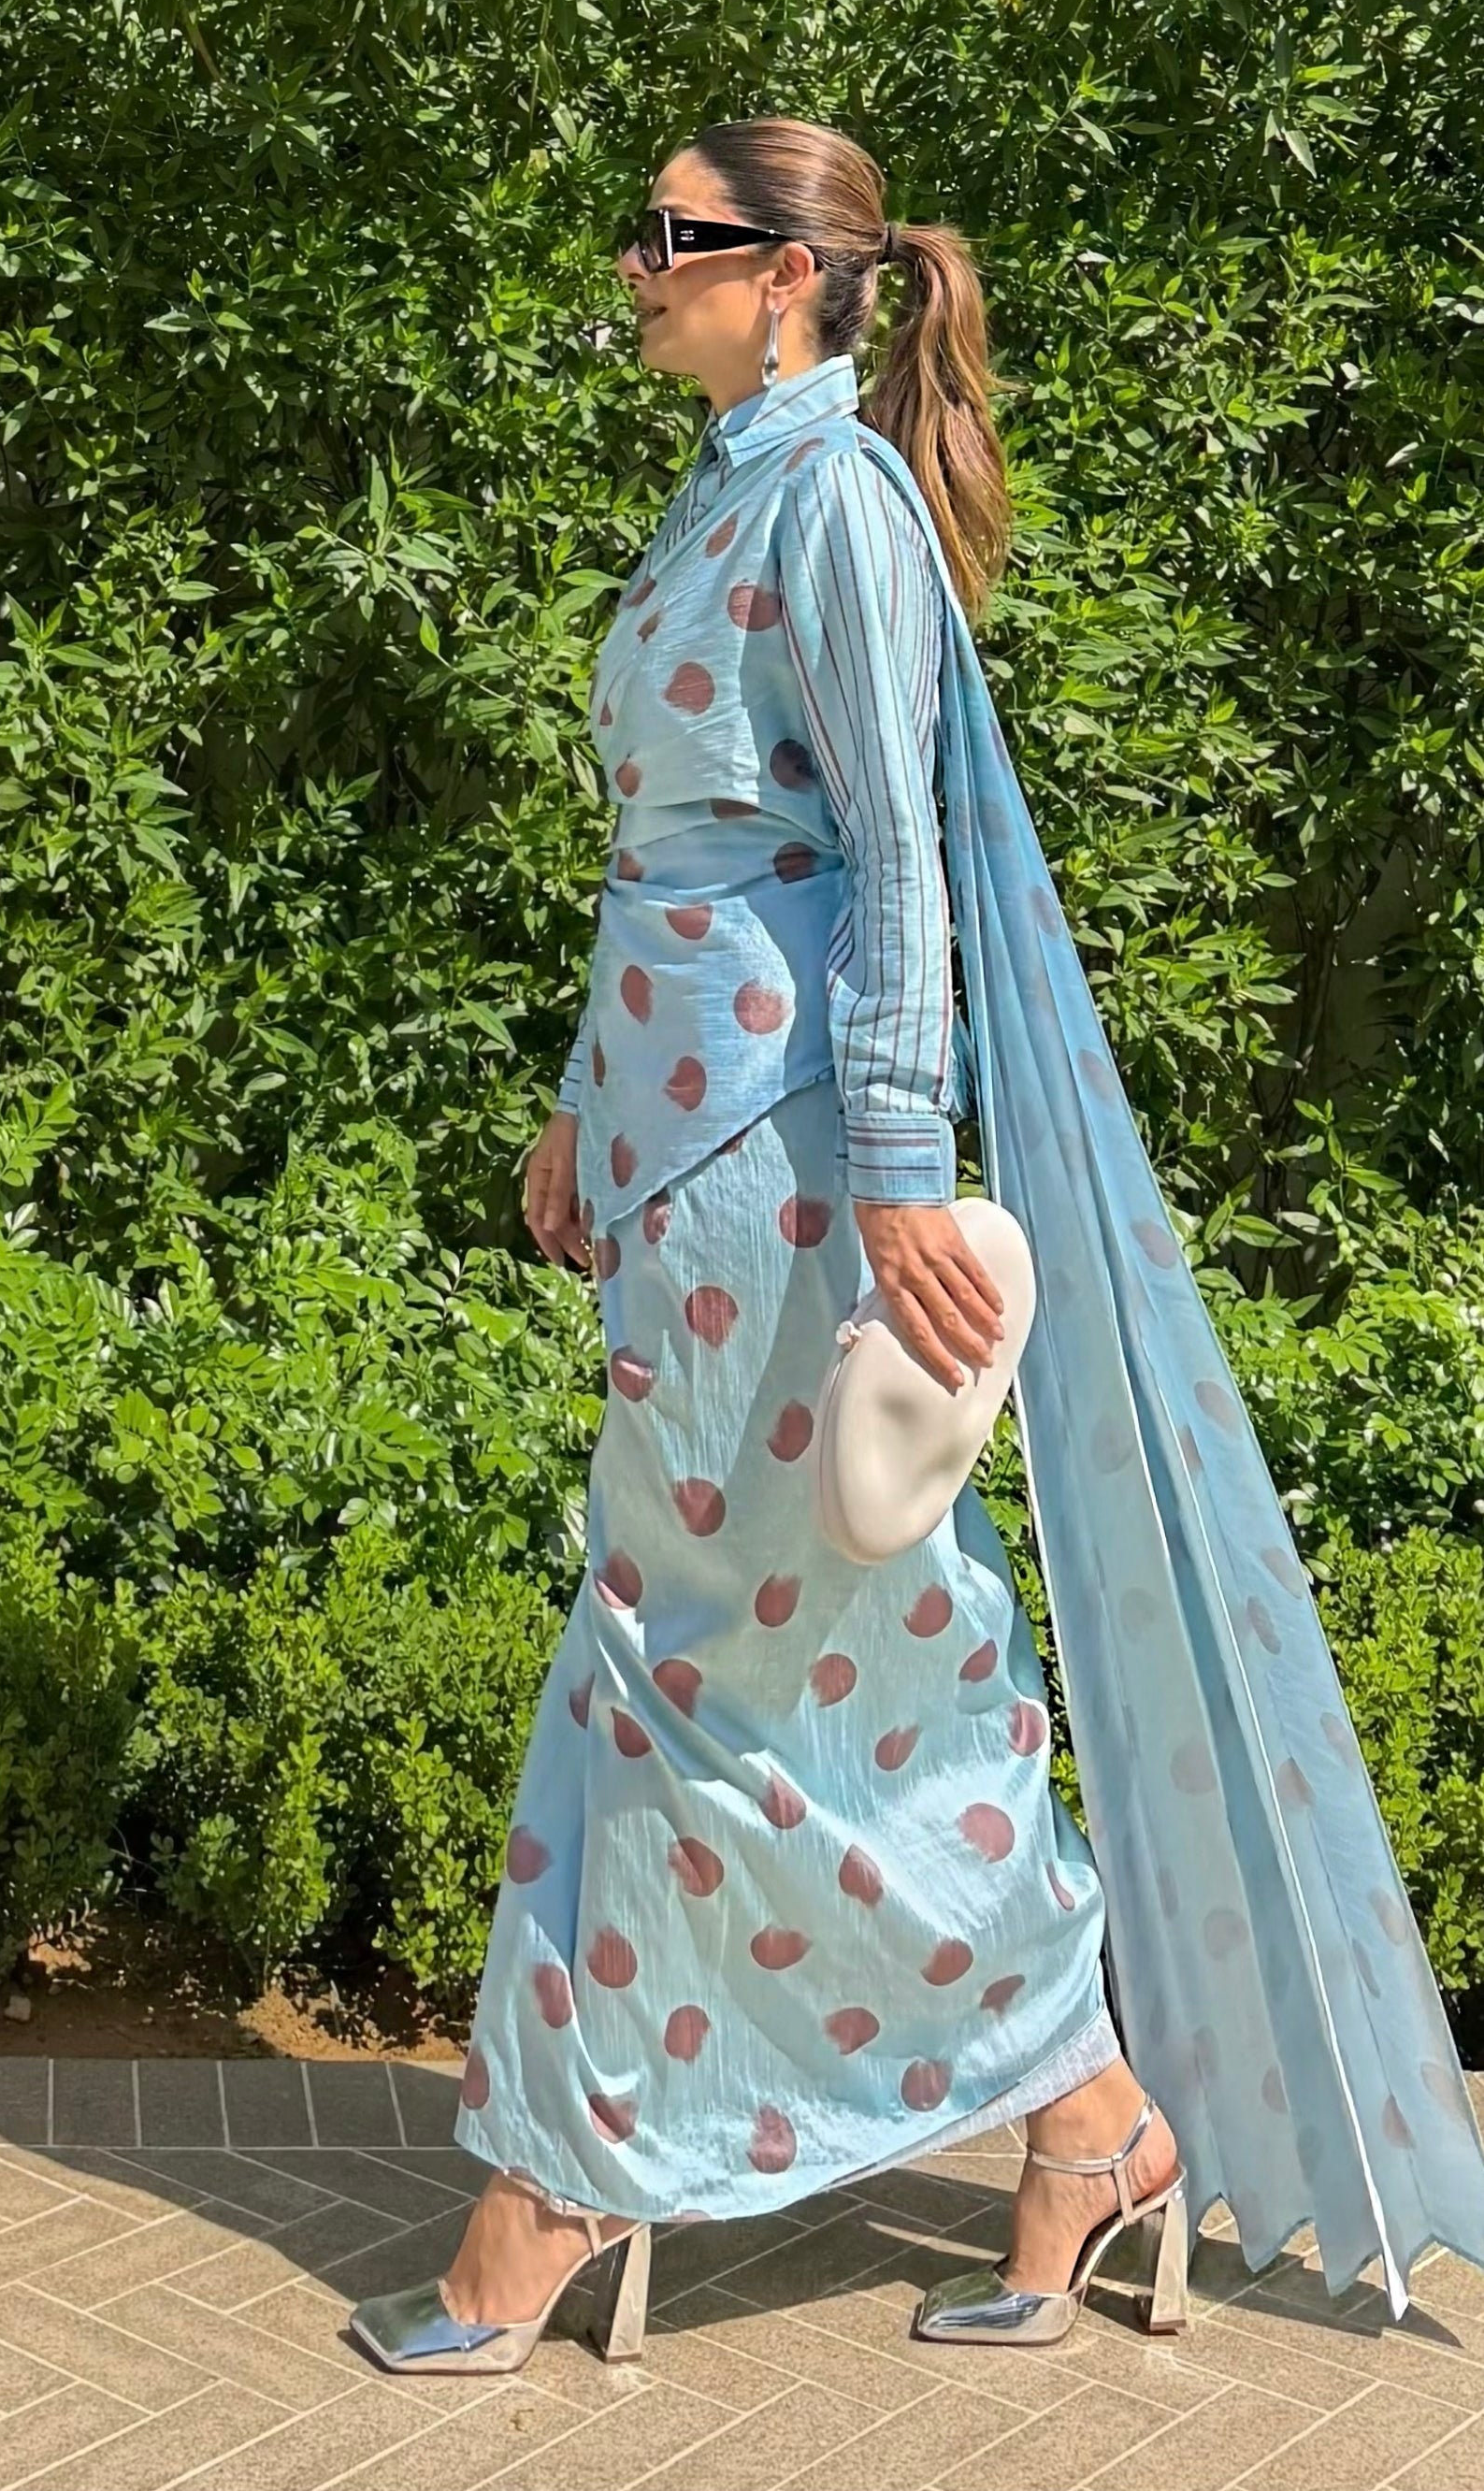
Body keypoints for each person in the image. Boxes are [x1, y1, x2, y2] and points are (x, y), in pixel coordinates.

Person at [353, 117, 1484, 2376]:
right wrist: (583, 1096)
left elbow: (892, 858)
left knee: (689, 1650)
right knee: (853, 1646)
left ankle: (570, 2179)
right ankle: (1088, 2118)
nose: (632, 265)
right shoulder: (723, 491)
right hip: (679, 1136)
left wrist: (891, 1167)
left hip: (783, 1157)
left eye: (671, 235)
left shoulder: (838, 505)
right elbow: (676, 848)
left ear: (784, 275)